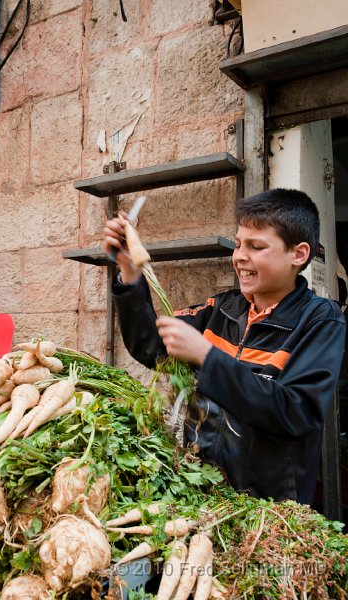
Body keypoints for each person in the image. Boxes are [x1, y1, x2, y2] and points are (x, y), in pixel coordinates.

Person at [103, 189, 346, 504]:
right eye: (239, 243)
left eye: (257, 246)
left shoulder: (319, 322)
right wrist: (129, 270)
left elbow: (295, 412)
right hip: (200, 487)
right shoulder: (220, 309)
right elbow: (152, 348)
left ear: (298, 254)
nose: (240, 256)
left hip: (266, 505)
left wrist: (207, 357)